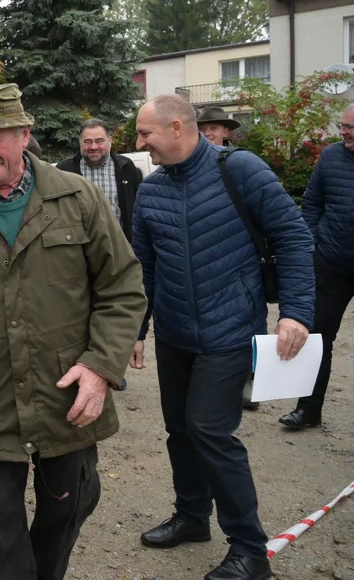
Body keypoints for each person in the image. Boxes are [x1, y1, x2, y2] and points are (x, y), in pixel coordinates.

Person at [0, 84, 147, 580]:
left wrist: (101, 367)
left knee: (68, 507)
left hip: (66, 391)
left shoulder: (77, 197)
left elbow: (123, 287)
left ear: (24, 135)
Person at [132, 94, 315, 580]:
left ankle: (251, 550)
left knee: (211, 430)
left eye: (145, 133)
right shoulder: (150, 192)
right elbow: (142, 270)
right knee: (180, 430)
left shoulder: (243, 170)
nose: (139, 143)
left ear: (176, 127)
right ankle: (193, 518)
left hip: (229, 330)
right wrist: (137, 330)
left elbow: (294, 238)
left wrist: (295, 312)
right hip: (174, 334)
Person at [55, 118, 147, 391]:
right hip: (75, 256)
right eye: (87, 142)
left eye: (99, 141)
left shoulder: (127, 168)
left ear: (110, 141)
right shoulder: (64, 170)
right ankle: (81, 367)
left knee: (115, 311)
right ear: (80, 143)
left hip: (117, 254)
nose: (93, 147)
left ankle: (111, 369)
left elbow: (137, 211)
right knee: (81, 313)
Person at [279, 102, 354, 430]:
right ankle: (308, 410)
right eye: (343, 126)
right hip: (332, 263)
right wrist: (312, 245)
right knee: (317, 338)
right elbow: (312, 203)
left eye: (351, 127)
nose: (345, 132)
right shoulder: (332, 156)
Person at [196, 108, 258, 410]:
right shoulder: (186, 168)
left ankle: (250, 382)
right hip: (206, 262)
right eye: (203, 128)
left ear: (226, 133)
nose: (208, 133)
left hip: (240, 261)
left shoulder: (242, 165)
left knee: (248, 327)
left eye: (214, 128)